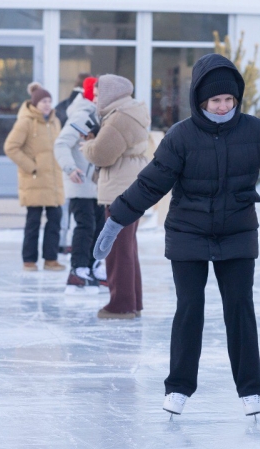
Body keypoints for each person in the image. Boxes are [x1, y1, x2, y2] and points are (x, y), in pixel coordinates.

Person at [92, 54, 260, 418]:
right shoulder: (182, 137)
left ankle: (251, 391)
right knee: (189, 310)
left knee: (240, 309)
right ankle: (178, 388)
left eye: (229, 100)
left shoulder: (256, 131)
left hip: (237, 234)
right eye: (215, 100)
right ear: (200, 100)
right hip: (188, 234)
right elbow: (150, 184)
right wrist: (116, 220)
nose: (223, 107)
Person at [82, 74, 150, 318]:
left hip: (121, 188)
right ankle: (133, 302)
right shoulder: (128, 112)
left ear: (110, 94)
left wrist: (86, 145)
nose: (96, 100)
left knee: (117, 248)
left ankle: (120, 305)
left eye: (98, 95)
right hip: (131, 187)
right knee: (126, 246)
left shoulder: (120, 118)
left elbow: (102, 155)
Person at [4, 82, 66, 272]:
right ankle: (29, 260)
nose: (47, 104)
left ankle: (51, 259)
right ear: (35, 103)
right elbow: (11, 147)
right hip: (34, 179)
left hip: (53, 180)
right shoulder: (26, 122)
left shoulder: (55, 121)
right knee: (33, 221)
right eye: (43, 101)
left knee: (55, 219)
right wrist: (32, 167)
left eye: (49, 101)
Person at [54, 76, 106, 293]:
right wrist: (70, 168)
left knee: (99, 227)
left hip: (96, 185)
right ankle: (78, 269)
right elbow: (61, 143)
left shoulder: (98, 115)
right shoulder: (82, 114)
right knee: (85, 227)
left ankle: (92, 266)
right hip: (81, 183)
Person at [55, 72, 92, 254]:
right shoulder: (82, 112)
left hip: (74, 168)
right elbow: (62, 141)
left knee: (70, 213)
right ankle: (65, 248)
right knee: (82, 222)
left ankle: (62, 243)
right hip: (76, 169)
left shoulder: (67, 105)